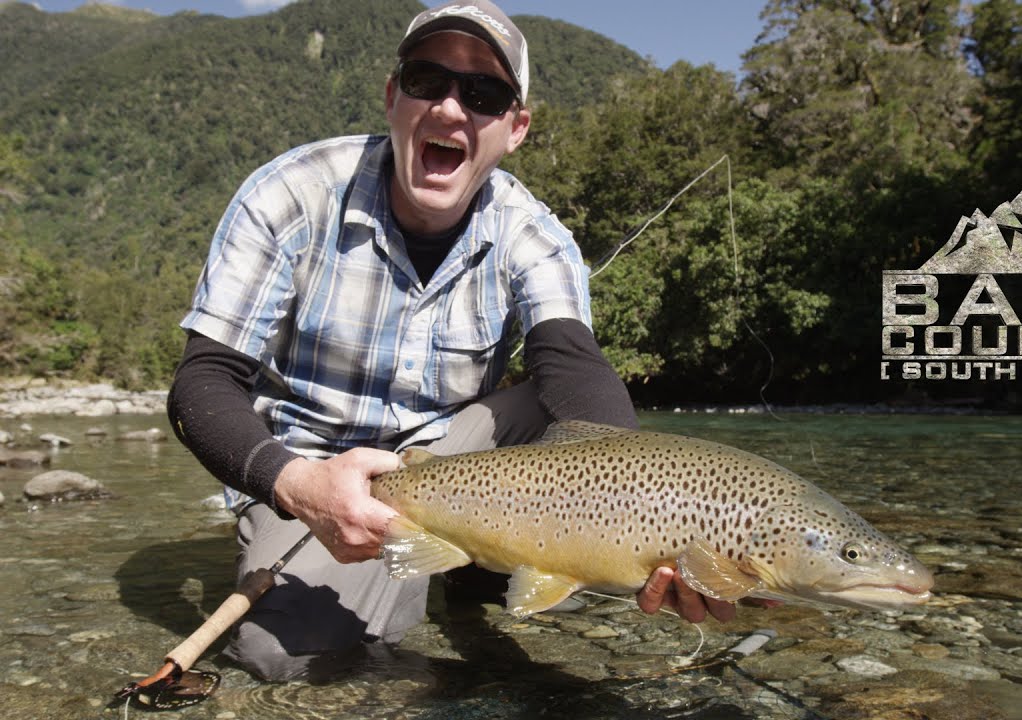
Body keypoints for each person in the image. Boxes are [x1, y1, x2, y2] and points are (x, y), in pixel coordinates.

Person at [168, 0, 736, 682]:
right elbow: (202, 383)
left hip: (458, 456)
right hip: (314, 466)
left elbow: (573, 369)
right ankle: (436, 558)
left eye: (483, 94)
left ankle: (483, 563)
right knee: (288, 658)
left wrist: (647, 533)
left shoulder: (533, 234)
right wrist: (295, 484)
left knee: (556, 411)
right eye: (426, 81)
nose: (448, 108)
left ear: (515, 129)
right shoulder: (291, 194)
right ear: (392, 96)